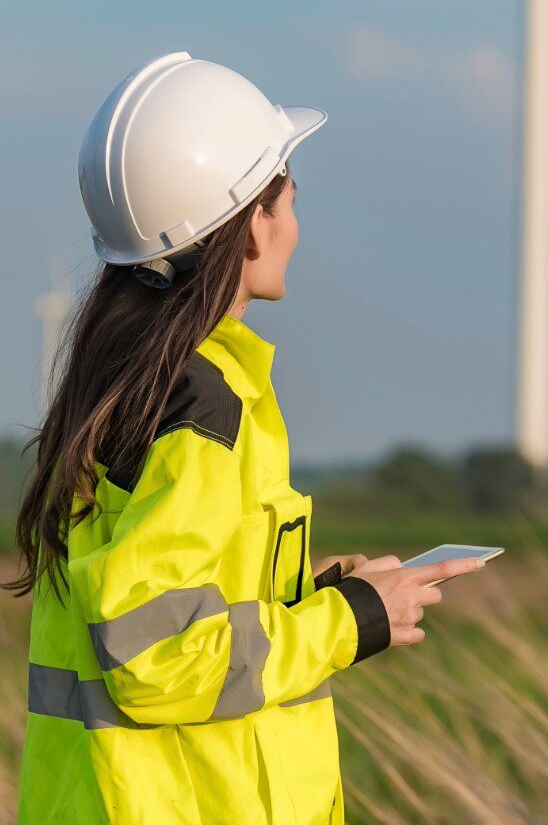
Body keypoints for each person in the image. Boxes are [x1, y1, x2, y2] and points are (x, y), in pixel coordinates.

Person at [7, 52, 487, 823]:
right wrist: (350, 621)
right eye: (288, 200)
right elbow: (156, 659)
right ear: (250, 229)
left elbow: (167, 605)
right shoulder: (202, 411)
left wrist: (307, 597)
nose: (296, 224)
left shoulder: (132, 385)